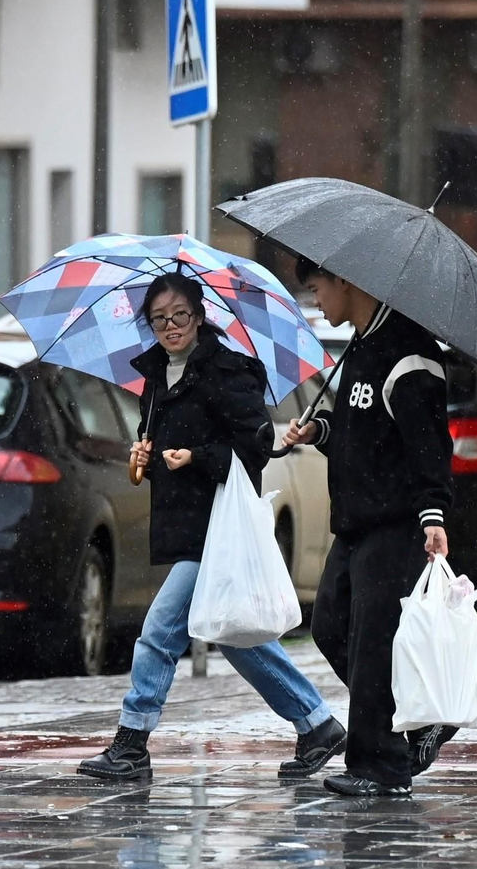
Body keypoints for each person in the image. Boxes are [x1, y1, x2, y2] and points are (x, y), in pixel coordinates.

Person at [77, 272, 347, 782]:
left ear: (200, 316)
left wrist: (197, 458)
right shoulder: (155, 377)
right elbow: (157, 442)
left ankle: (131, 743)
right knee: (234, 636)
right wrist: (146, 455)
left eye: (180, 315)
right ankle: (316, 724)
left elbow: (256, 447)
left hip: (217, 524)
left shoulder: (228, 371)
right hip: (183, 523)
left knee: (158, 633)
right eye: (159, 319)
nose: (170, 326)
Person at [283, 260, 457, 797]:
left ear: (348, 280)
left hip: (396, 524)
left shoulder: (410, 357)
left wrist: (433, 514)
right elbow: (363, 435)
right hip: (354, 522)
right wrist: (320, 430)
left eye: (317, 289)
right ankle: (421, 720)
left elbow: (430, 447)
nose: (316, 302)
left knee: (372, 646)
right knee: (331, 629)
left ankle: (380, 767)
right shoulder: (358, 348)